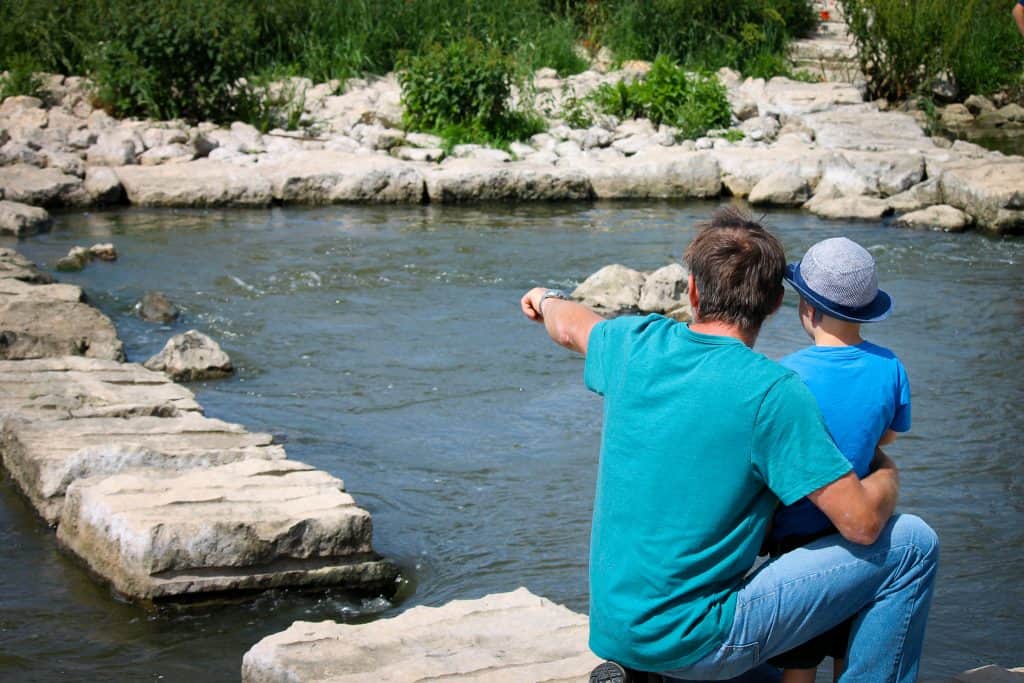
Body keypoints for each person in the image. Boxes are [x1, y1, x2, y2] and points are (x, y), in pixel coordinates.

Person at [519, 207, 938, 683]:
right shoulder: (773, 393)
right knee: (913, 543)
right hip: (699, 639)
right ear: (776, 302)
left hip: (618, 629)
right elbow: (862, 525)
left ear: (693, 291)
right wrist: (886, 472)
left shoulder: (632, 344)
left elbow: (570, 324)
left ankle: (649, 674)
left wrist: (545, 297)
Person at [765, 237, 912, 683]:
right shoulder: (891, 367)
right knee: (851, 650)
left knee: (799, 660)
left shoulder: (786, 373)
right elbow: (885, 435)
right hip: (865, 536)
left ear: (807, 310)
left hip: (795, 536)